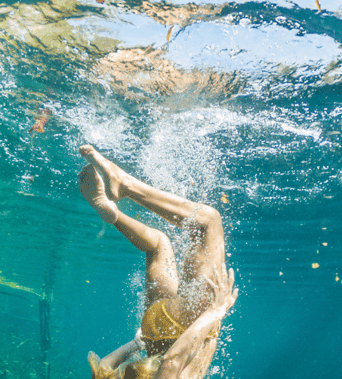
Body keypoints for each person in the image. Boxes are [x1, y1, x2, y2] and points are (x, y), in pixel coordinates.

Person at [78, 145, 238, 379]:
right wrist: (136, 344)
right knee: (158, 244)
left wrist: (217, 311)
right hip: (152, 330)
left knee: (207, 222)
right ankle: (112, 214)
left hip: (183, 325)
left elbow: (172, 362)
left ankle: (125, 185)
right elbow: (102, 368)